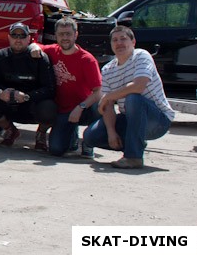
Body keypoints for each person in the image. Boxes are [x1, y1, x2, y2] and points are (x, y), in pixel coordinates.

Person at [82, 25, 175, 169]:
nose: (119, 43)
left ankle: (133, 157)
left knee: (133, 98)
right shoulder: (107, 69)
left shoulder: (141, 56)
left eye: (123, 39)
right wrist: (111, 132)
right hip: (130, 119)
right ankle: (134, 143)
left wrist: (108, 97)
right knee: (91, 136)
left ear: (133, 42)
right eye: (115, 40)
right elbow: (107, 107)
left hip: (158, 121)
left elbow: (138, 86)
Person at [30, 17, 102, 157]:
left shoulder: (87, 60)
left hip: (84, 107)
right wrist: (34, 48)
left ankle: (89, 141)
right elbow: (35, 44)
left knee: (99, 105)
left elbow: (98, 92)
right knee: (56, 150)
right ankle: (71, 137)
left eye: (68, 34)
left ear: (76, 35)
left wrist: (81, 107)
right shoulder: (52, 51)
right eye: (61, 34)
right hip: (63, 111)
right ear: (55, 35)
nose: (65, 38)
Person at [0, 22, 57, 147]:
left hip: (31, 105)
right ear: (9, 37)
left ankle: (41, 133)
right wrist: (0, 93)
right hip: (7, 104)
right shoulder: (1, 56)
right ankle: (10, 130)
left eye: (22, 36)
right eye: (14, 35)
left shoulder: (40, 58)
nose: (18, 39)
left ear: (29, 39)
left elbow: (49, 89)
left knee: (49, 108)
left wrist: (27, 96)